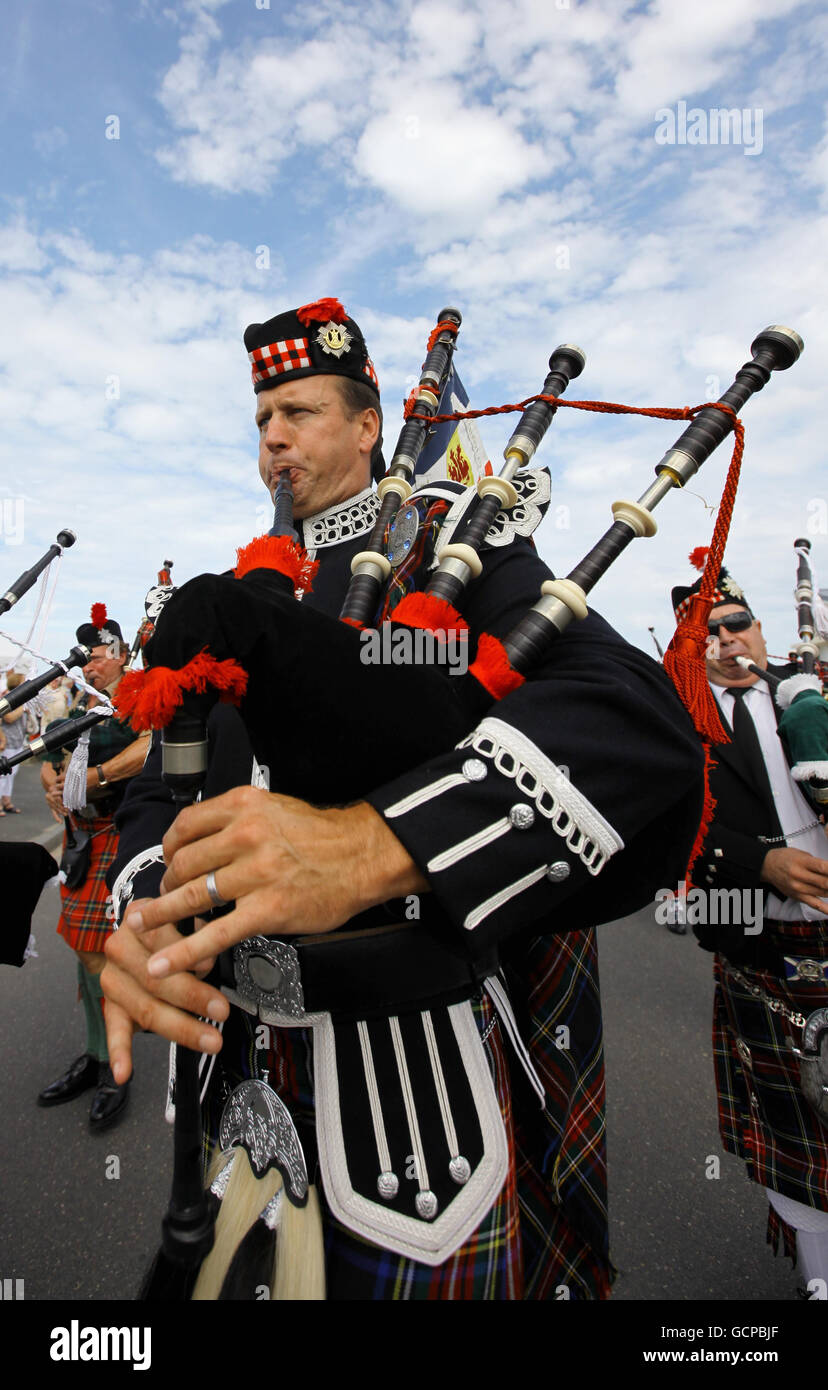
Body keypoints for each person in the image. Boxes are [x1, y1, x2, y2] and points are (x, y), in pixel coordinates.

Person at [102, 298, 703, 1299]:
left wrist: (375, 842)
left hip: (420, 1115)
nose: (274, 437)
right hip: (236, 1073)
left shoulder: (459, 561)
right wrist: (143, 899)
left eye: (298, 411)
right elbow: (163, 780)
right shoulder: (232, 595)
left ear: (371, 425)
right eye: (261, 421)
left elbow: (633, 723)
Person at [672, 555, 828, 1292]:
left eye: (739, 625)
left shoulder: (814, 697)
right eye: (710, 633)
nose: (729, 641)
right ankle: (820, 1274)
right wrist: (757, 864)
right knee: (793, 1120)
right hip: (758, 942)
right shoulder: (679, 725)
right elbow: (660, 831)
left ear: (760, 630)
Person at [37, 608, 150, 1128]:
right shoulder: (81, 702)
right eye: (88, 655)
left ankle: (113, 1070)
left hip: (117, 836)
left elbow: (153, 747)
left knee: (103, 959)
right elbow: (49, 753)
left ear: (123, 655)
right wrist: (49, 778)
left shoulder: (141, 697)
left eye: (102, 652)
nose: (94, 662)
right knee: (86, 961)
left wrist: (96, 776)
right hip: (80, 839)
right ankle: (93, 1054)